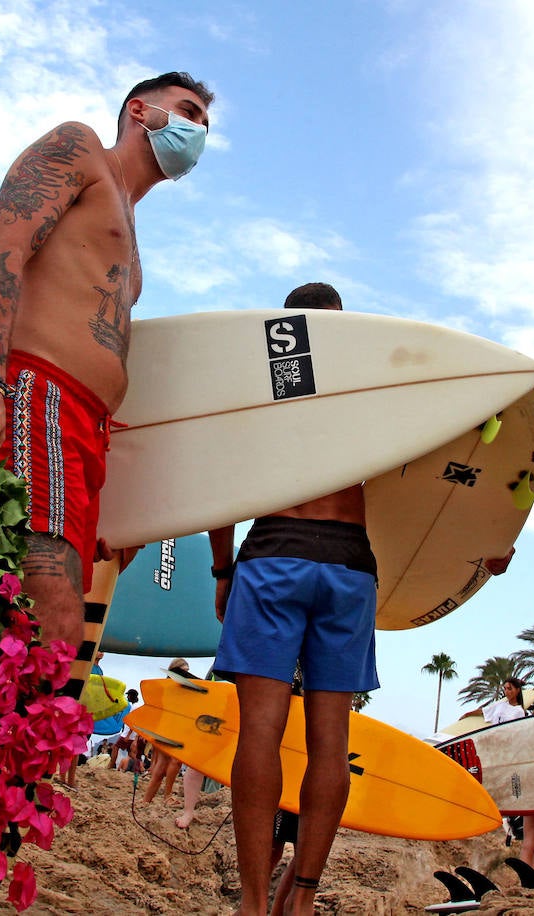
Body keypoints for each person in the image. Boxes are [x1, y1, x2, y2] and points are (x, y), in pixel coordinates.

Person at [0, 71, 214, 916]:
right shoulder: (75, 148)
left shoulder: (134, 235)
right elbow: (3, 248)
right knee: (40, 642)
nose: (199, 132)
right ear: (140, 111)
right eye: (190, 114)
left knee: (8, 651)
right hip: (31, 396)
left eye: (207, 122)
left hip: (81, 432)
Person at [209, 281, 379, 916]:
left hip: (275, 553)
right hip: (348, 561)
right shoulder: (368, 390)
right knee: (330, 741)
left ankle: (254, 903)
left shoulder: (263, 387)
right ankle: (301, 895)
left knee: (261, 731)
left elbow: (222, 492)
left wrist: (222, 570)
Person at [142, 658, 191, 805]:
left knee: (162, 765)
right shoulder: (170, 687)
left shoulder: (176, 687)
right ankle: (167, 796)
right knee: (174, 762)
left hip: (171, 727)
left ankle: (146, 800)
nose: (186, 674)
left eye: (188, 672)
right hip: (168, 727)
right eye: (184, 671)